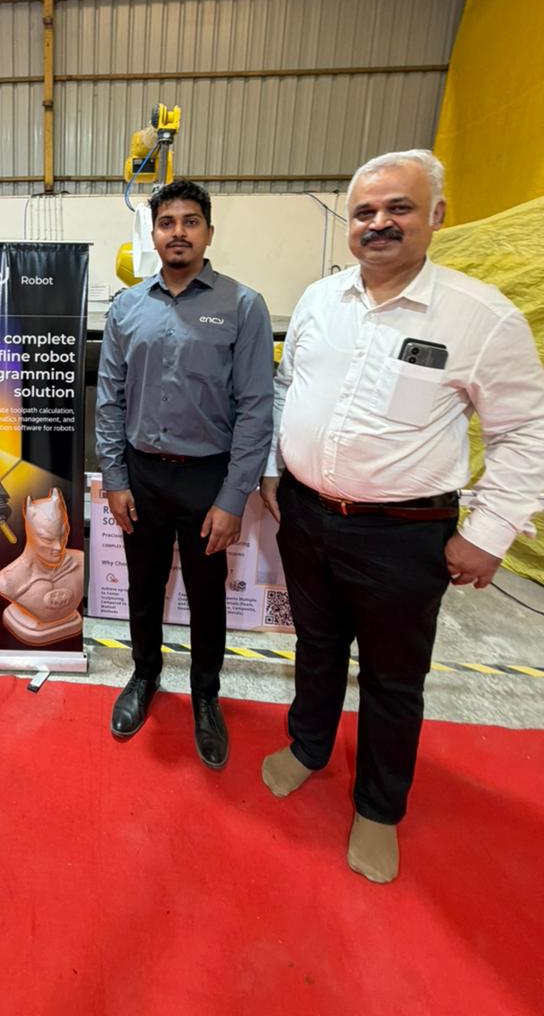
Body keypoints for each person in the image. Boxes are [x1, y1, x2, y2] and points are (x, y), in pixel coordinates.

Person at [260, 149, 544, 883]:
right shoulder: (323, 300)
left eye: (399, 209)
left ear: (436, 216)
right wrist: (270, 469)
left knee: (393, 677)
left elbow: (526, 435)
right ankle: (309, 747)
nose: (379, 223)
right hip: (306, 513)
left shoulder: (480, 318)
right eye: (364, 211)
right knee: (315, 646)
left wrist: (487, 534)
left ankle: (380, 809)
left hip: (404, 535)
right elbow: (288, 386)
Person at [96, 179, 274, 768]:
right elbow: (110, 401)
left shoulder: (242, 306)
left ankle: (205, 696)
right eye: (167, 222)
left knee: (205, 597)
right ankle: (144, 677)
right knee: (143, 588)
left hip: (207, 480)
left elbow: (255, 407)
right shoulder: (126, 307)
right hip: (141, 475)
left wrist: (233, 495)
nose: (178, 231)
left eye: (190, 221)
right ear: (154, 234)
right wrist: (115, 479)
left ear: (208, 233)